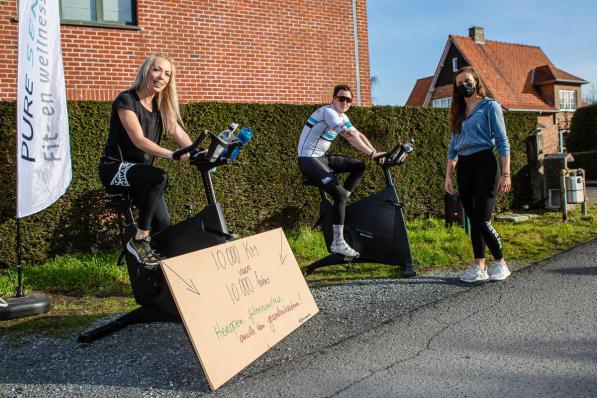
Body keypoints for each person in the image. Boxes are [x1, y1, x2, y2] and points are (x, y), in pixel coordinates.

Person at [98, 54, 193, 267]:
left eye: (167, 74)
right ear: (146, 71)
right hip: (115, 169)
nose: (162, 77)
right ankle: (140, 239)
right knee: (159, 176)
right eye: (157, 70)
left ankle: (151, 272)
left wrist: (196, 153)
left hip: (141, 174)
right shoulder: (126, 100)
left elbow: (179, 134)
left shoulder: (161, 109)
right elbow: (139, 140)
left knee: (163, 223)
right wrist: (171, 154)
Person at [298, 84, 384, 258]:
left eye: (348, 99)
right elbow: (349, 137)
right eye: (341, 98)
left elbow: (357, 133)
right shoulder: (328, 112)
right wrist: (372, 154)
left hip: (321, 157)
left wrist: (375, 153)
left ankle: (342, 201)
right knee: (340, 196)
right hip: (308, 159)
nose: (344, 102)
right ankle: (337, 242)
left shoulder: (342, 116)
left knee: (359, 166)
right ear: (333, 99)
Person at [444, 66, 512, 282]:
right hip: (464, 166)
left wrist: (506, 173)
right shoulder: (458, 112)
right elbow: (453, 148)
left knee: (482, 218)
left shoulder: (490, 106)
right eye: (459, 83)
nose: (464, 85)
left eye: (467, 81)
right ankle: (479, 267)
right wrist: (448, 176)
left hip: (485, 163)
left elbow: (502, 141)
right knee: (473, 218)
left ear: (476, 81)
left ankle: (501, 263)